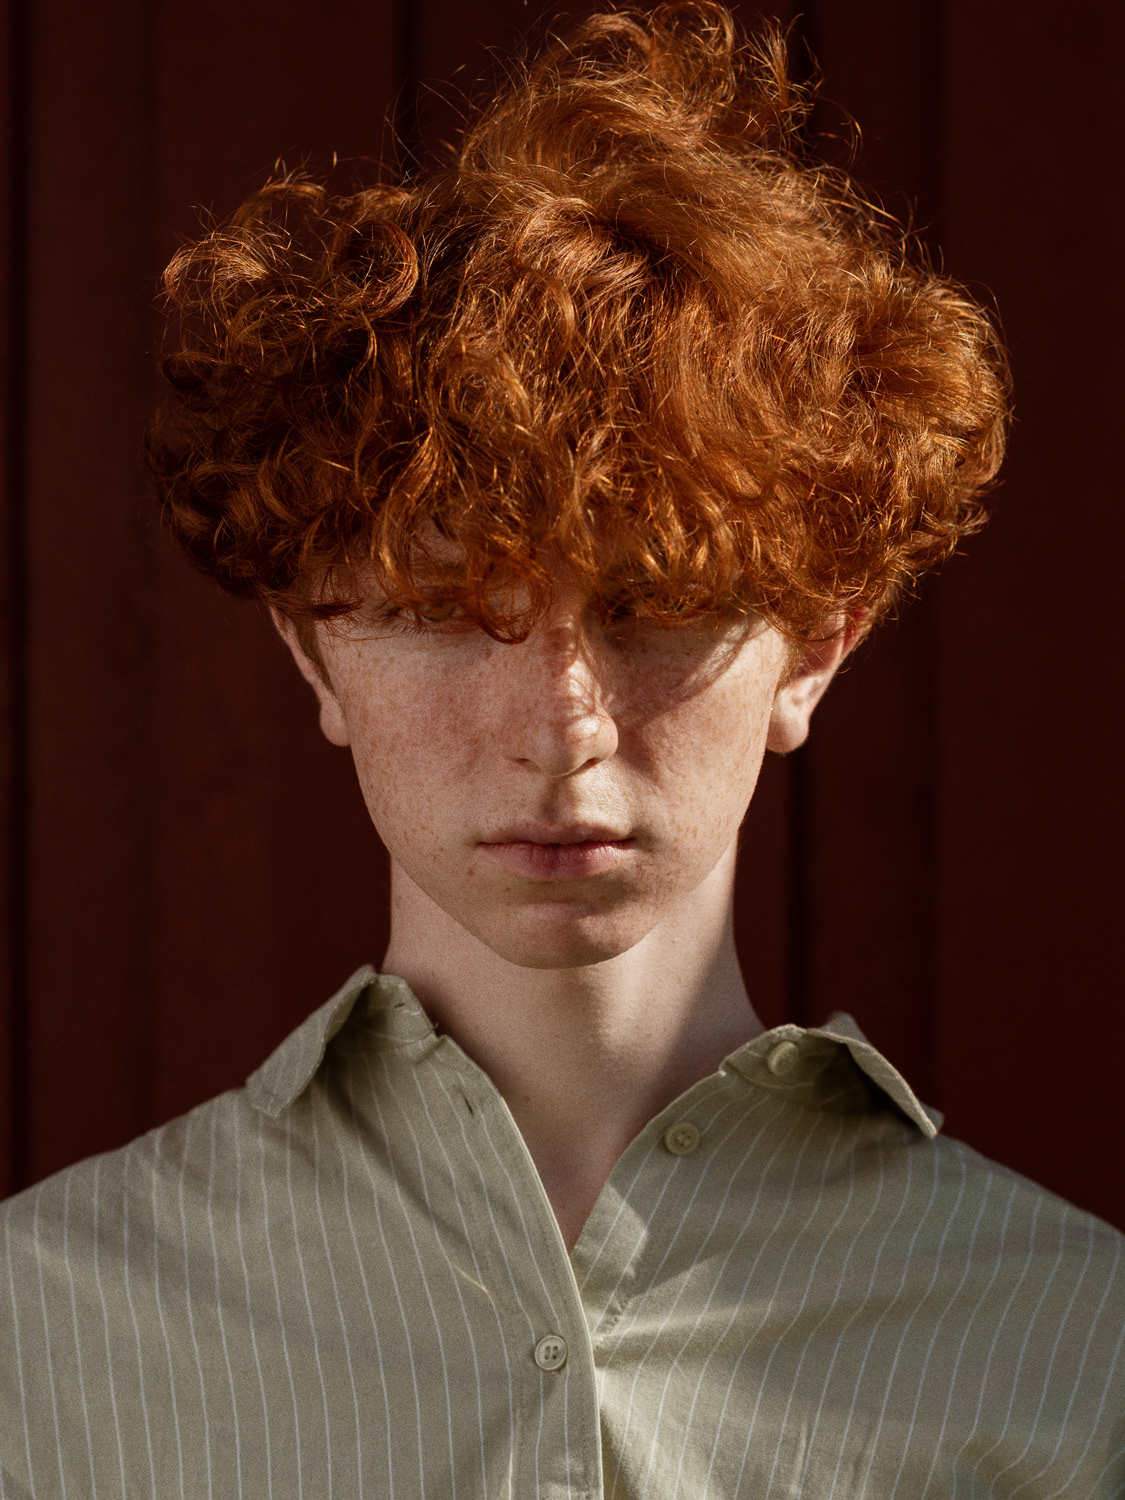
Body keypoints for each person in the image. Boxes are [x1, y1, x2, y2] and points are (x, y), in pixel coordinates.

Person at [2, 4, 1122, 1496]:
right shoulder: (39, 1336)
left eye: (656, 607)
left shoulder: (1082, 1354)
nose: (560, 729)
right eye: (448, 612)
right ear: (311, 650)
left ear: (814, 652)